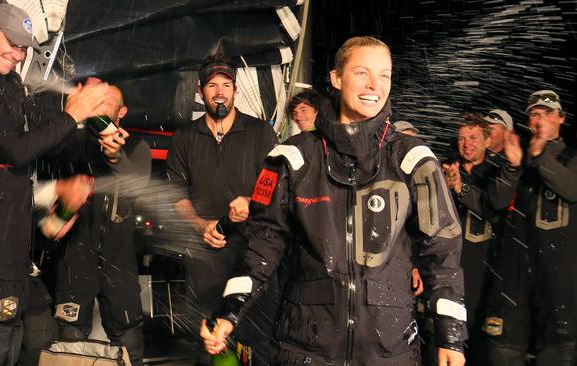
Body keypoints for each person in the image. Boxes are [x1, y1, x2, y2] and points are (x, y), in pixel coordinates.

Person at [201, 36, 467, 366]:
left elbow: (442, 253)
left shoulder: (412, 158)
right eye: (361, 73)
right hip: (306, 349)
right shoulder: (291, 158)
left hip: (389, 351)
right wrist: (230, 312)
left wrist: (451, 336)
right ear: (336, 78)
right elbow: (262, 247)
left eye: (384, 75)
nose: (375, 85)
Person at [0, 4, 109, 365]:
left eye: (24, 49)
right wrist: (72, 114)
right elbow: (17, 149)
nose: (18, 55)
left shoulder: (9, 82)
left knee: (19, 340)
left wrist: (95, 134)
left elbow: (45, 135)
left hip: (11, 244)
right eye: (12, 44)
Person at [166, 53, 277, 362]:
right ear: (200, 92)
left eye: (226, 85)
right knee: (209, 342)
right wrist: (201, 225)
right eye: (212, 85)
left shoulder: (260, 133)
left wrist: (252, 203)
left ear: (235, 90)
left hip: (252, 259)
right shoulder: (184, 137)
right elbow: (176, 195)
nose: (219, 92)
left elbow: (279, 192)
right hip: (204, 262)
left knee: (255, 344)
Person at [51, 84, 150, 365]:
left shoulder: (135, 146)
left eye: (107, 101)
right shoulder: (72, 142)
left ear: (122, 112)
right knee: (68, 351)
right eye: (96, 100)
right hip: (74, 266)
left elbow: (138, 189)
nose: (99, 104)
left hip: (120, 268)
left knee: (130, 348)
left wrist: (116, 156)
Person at [485, 89, 577, 366]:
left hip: (558, 279)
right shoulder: (518, 158)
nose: (539, 120)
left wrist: (541, 157)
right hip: (515, 277)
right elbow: (496, 203)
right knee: (503, 350)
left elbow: (571, 190)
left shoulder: (571, 158)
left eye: (547, 114)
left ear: (560, 119)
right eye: (534, 115)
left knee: (557, 351)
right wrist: (512, 167)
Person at [440, 115, 521, 365]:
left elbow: (493, 206)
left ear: (488, 140)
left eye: (474, 138)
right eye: (462, 138)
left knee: (478, 342)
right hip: (448, 269)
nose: (467, 144)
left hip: (483, 269)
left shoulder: (497, 172)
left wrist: (460, 188)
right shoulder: (444, 169)